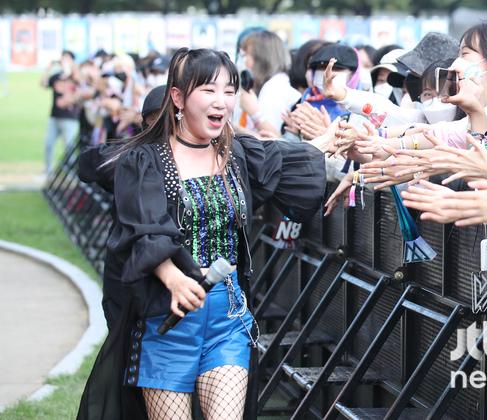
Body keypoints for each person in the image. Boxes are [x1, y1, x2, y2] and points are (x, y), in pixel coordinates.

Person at [76, 47, 329, 420]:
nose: (222, 102)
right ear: (177, 97)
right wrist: (174, 278)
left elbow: (292, 160)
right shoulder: (144, 161)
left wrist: (342, 141)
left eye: (230, 91)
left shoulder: (237, 153)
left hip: (227, 316)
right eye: (209, 90)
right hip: (166, 319)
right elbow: (143, 228)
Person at [239, 30, 301, 137]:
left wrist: (232, 127)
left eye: (247, 55)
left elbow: (271, 139)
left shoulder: (274, 88)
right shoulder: (276, 84)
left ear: (261, 59)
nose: (244, 62)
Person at [41, 50, 81, 174]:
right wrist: (48, 69)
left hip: (70, 118)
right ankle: (48, 170)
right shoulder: (57, 76)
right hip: (55, 116)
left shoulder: (75, 75)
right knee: (48, 144)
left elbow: (80, 81)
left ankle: (72, 173)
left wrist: (71, 69)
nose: (64, 61)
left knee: (69, 148)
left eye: (67, 58)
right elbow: (43, 83)